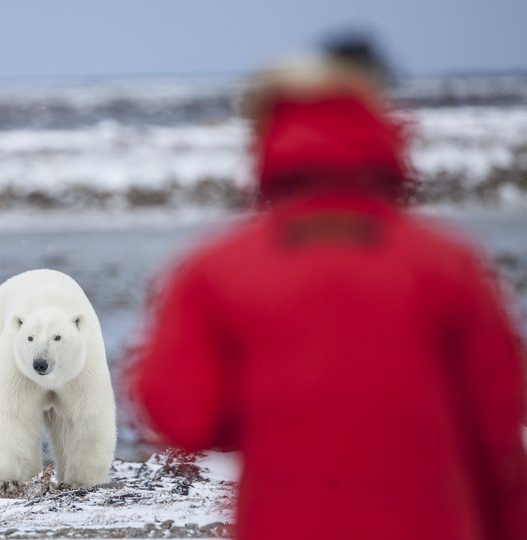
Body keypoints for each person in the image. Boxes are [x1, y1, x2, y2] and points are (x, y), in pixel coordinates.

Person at [132, 45, 527, 540]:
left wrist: (274, 412)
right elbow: (498, 439)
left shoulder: (217, 270)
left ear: (268, 132)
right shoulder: (448, 264)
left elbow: (182, 417)